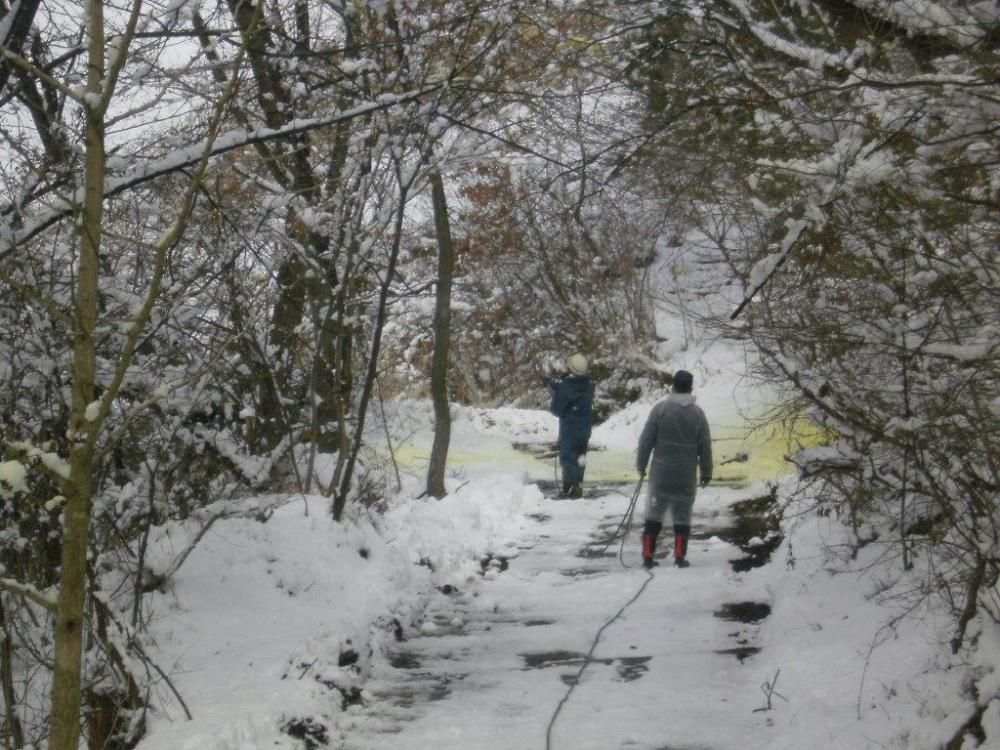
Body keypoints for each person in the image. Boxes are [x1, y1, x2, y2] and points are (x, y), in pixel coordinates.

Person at [635, 369, 712, 568]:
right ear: (690, 388)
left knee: (654, 514)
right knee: (682, 516)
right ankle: (679, 557)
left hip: (661, 474)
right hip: (685, 475)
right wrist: (706, 472)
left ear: (673, 386)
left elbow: (646, 439)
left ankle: (648, 557)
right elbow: (705, 446)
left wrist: (641, 464)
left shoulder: (660, 409)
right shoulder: (698, 414)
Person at [545, 353, 594, 498]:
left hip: (570, 429)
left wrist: (555, 393)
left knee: (567, 458)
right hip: (584, 428)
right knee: (580, 457)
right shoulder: (588, 385)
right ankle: (578, 484)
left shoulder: (566, 388)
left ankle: (571, 488)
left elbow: (556, 409)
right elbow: (570, 388)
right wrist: (555, 384)